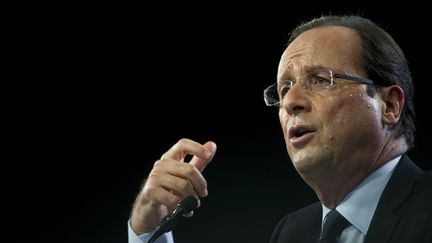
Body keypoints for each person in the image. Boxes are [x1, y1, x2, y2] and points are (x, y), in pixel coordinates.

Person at [128, 15, 432, 243]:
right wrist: (148, 230)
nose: (291, 102)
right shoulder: (292, 233)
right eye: (284, 89)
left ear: (389, 105)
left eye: (320, 80)